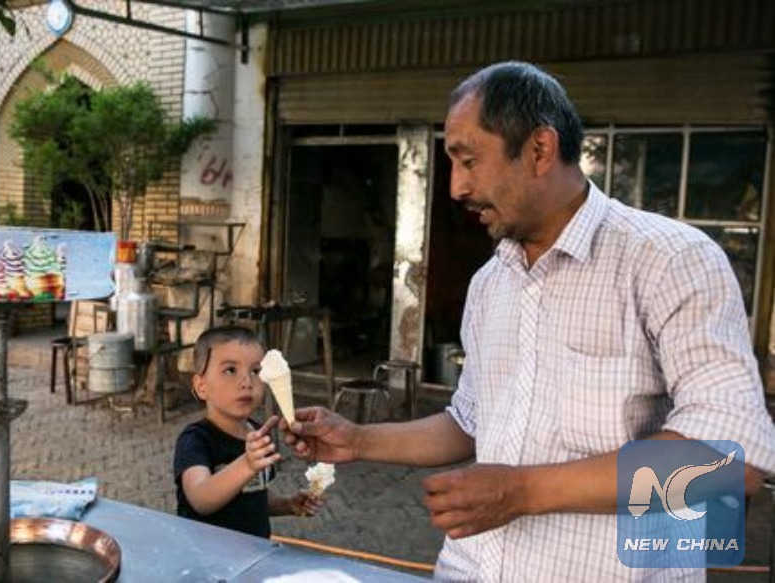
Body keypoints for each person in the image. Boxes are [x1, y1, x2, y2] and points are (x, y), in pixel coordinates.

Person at [283, 61, 775, 581]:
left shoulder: (669, 261)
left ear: (540, 149)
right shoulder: (491, 282)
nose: (455, 188)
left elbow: (728, 467)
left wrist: (522, 491)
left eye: (468, 161)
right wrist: (359, 440)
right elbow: (471, 422)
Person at [173, 325, 323, 538]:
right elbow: (200, 499)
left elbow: (253, 496)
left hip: (253, 556)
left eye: (256, 371)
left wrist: (288, 505)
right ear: (201, 386)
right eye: (230, 370)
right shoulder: (196, 439)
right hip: (206, 558)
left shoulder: (259, 434)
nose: (247, 382)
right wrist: (247, 463)